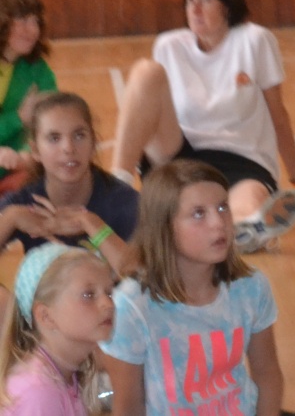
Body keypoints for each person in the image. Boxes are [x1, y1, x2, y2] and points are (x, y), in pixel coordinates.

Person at [108, 0, 295, 254]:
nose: (195, 9)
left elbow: (278, 115)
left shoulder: (255, 40)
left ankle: (245, 231)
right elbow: (148, 109)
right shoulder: (169, 45)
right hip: (178, 152)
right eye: (190, 1)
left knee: (249, 204)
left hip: (241, 160)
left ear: (227, 5)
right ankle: (116, 190)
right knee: (145, 72)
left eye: (205, 0)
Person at [99, 159, 283, 416]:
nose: (218, 223)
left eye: (222, 207)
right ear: (164, 227)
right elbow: (129, 406)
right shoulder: (132, 306)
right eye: (198, 213)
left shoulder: (250, 287)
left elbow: (267, 374)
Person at [0, 93, 138, 277]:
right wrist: (11, 218)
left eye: (79, 135)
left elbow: (145, 280)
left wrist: (91, 224)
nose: (68, 148)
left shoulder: (125, 202)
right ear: (35, 150)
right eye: (54, 138)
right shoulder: (24, 201)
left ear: (93, 143)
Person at [0, 244, 116, 416]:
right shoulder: (39, 392)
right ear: (46, 316)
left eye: (109, 293)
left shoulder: (63, 375)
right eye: (88, 295)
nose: (108, 304)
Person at [0, 0, 60, 192]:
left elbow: (51, 125)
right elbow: (24, 117)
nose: (32, 30)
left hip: (16, 169)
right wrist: (18, 118)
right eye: (23, 21)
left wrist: (23, 157)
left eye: (35, 22)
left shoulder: (38, 70)